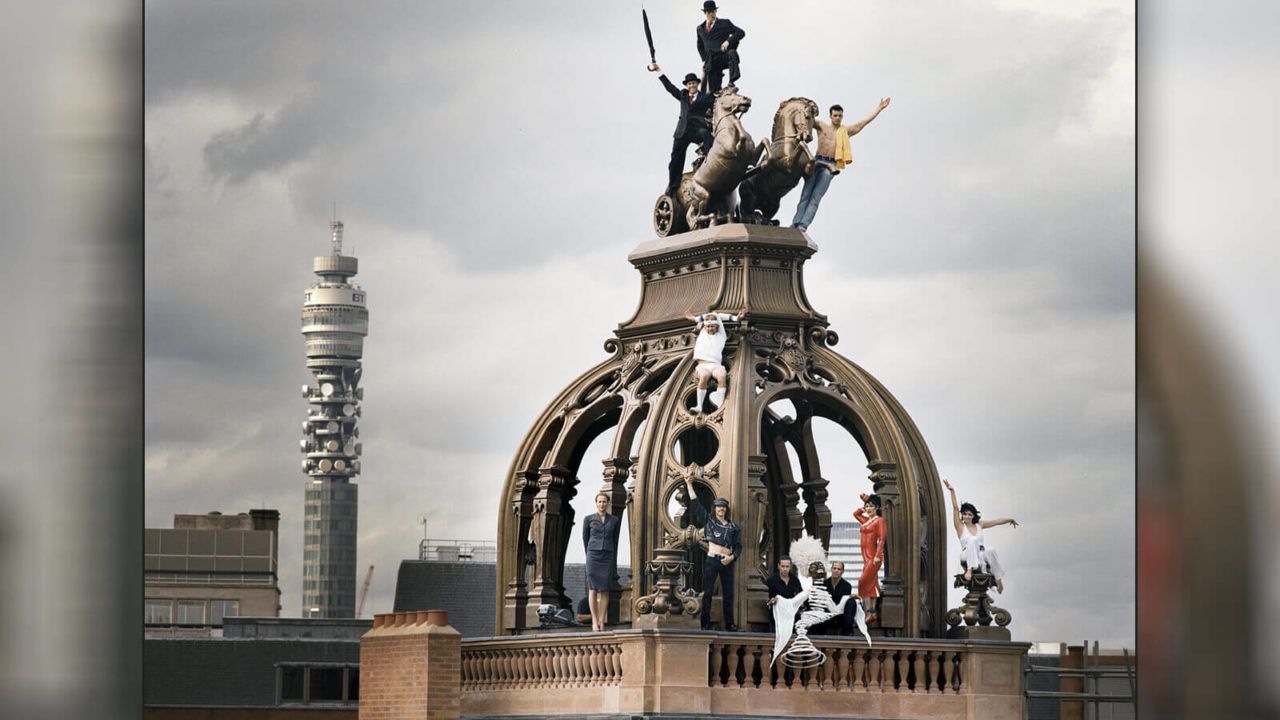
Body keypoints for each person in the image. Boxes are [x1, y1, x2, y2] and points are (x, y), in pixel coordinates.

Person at [790, 97, 891, 231]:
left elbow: (864, 122)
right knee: (806, 194)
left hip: (830, 166)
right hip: (817, 162)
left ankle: (803, 224)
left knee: (816, 197)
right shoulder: (821, 126)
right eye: (835, 115)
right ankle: (795, 223)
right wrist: (786, 105)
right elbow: (804, 118)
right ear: (830, 116)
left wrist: (879, 108)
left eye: (840, 116)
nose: (837, 118)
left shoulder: (845, 131)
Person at [683, 474, 742, 631]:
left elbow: (738, 547)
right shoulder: (709, 521)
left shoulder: (733, 527)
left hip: (726, 560)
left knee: (728, 594)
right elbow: (696, 505)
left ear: (726, 509)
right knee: (707, 592)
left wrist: (732, 557)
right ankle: (705, 624)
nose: (721, 509)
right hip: (712, 560)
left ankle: (730, 625)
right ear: (714, 509)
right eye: (718, 506)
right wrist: (689, 484)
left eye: (723, 507)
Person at [942, 478, 1019, 593]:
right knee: (973, 540)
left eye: (969, 514)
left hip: (980, 555)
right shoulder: (960, 526)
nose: (967, 516)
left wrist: (1010, 519)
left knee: (991, 550)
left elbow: (996, 521)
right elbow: (955, 508)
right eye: (965, 514)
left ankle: (998, 580)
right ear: (962, 516)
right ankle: (969, 570)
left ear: (973, 516)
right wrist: (952, 491)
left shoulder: (979, 525)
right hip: (966, 555)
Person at [648, 63, 714, 196]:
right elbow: (670, 87)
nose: (691, 86)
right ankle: (673, 187)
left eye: (694, 83)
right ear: (686, 86)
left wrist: (705, 73)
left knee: (706, 135)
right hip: (682, 132)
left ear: (697, 84)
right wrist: (659, 71)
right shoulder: (683, 95)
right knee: (674, 161)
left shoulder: (704, 98)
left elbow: (714, 97)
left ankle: (710, 161)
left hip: (696, 130)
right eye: (689, 84)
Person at [581, 492, 622, 631]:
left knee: (605, 590)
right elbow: (585, 539)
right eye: (599, 501)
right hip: (593, 556)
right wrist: (590, 553)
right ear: (596, 503)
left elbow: (615, 539)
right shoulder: (588, 519)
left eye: (604, 502)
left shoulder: (614, 520)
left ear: (608, 503)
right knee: (592, 589)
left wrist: (609, 552)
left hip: (607, 556)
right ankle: (594, 621)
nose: (602, 504)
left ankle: (602, 621)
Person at [684, 310, 739, 413]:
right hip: (703, 365)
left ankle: (719, 403)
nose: (709, 328)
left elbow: (717, 315)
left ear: (717, 327)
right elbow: (711, 315)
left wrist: (736, 318)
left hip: (716, 365)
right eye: (708, 326)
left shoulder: (721, 336)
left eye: (712, 326)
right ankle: (699, 406)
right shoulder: (703, 333)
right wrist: (694, 319)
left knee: (722, 376)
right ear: (705, 327)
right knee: (704, 376)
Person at [695, 1, 745, 94]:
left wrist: (728, 41)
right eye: (709, 12)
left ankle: (732, 82)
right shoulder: (700, 28)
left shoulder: (724, 23)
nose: (712, 14)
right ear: (705, 13)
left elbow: (740, 33)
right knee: (713, 91)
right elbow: (700, 45)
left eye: (713, 11)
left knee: (732, 53)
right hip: (711, 61)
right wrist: (704, 60)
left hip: (723, 56)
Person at [853, 492, 886, 624]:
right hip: (866, 557)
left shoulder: (880, 521)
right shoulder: (867, 521)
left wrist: (878, 556)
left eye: (871, 506)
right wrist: (865, 502)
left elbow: (882, 539)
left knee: (863, 583)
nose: (868, 509)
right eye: (867, 506)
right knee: (871, 584)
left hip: (873, 557)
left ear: (877, 507)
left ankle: (868, 612)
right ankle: (872, 612)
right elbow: (856, 514)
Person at [812, 559, 857, 636]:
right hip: (826, 615)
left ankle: (847, 632)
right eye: (834, 568)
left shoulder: (847, 585)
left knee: (851, 602)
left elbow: (843, 604)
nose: (836, 571)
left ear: (842, 571)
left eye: (839, 569)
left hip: (840, 615)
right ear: (831, 569)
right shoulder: (824, 584)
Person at [764, 556, 803, 630]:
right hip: (778, 613)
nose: (785, 569)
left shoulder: (795, 581)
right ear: (778, 566)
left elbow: (800, 595)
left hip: (792, 613)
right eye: (783, 566)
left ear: (790, 567)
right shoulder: (771, 580)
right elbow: (767, 599)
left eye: (787, 567)